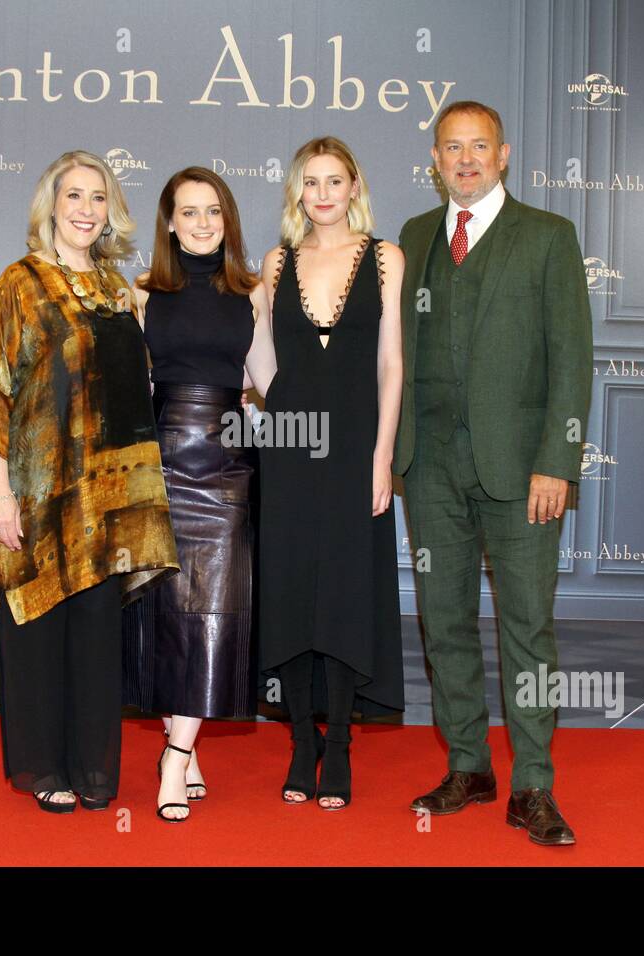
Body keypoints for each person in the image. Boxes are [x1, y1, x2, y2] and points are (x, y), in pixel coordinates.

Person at [395, 101, 593, 845]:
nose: (467, 159)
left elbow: (573, 360)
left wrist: (557, 463)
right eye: (453, 148)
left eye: (480, 146)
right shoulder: (414, 238)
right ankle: (469, 765)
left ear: (504, 155)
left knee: (528, 628)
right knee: (443, 620)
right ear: (437, 160)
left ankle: (533, 785)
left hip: (522, 474)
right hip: (431, 468)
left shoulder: (548, 237)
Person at [0, 150, 178, 815]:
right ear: (50, 207)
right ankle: (45, 766)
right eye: (74, 196)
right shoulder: (20, 283)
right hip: (34, 495)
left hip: (107, 498)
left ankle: (92, 767)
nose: (86, 209)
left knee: (93, 635)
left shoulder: (119, 289)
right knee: (39, 630)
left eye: (98, 198)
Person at [122, 167, 275, 823]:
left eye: (214, 211)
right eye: (190, 213)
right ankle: (184, 738)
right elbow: (132, 385)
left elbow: (268, 379)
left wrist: (329, 428)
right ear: (171, 223)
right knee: (165, 617)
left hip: (227, 465)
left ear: (229, 218)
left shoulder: (254, 295)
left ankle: (175, 759)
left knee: (214, 613)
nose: (204, 223)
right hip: (158, 463)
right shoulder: (142, 296)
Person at [257, 136, 405, 810]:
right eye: (310, 182)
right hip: (288, 446)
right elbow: (265, 365)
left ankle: (339, 740)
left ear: (354, 187)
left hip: (353, 447)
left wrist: (382, 458)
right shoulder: (275, 262)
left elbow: (391, 365)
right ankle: (299, 740)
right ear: (297, 191)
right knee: (288, 586)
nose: (322, 193)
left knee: (345, 590)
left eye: (334, 180)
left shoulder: (385, 259)